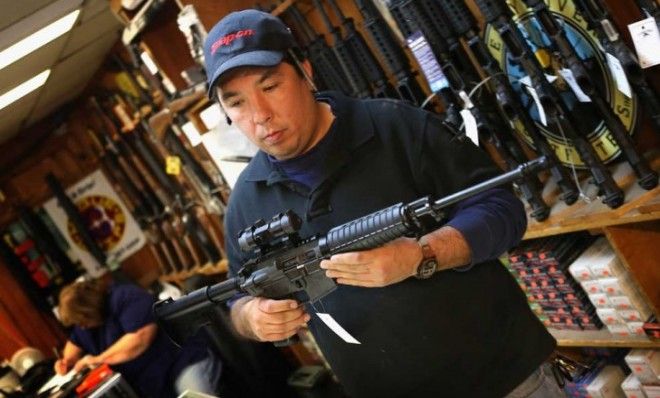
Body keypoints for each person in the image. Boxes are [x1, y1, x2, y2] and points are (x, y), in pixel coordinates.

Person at [203, 9, 562, 398]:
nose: (259, 116)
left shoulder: (396, 127)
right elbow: (238, 299)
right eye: (236, 103)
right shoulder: (245, 201)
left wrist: (421, 255)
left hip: (507, 379)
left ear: (305, 72)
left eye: (270, 87)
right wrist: (253, 320)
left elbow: (503, 210)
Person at [54, 278, 221, 397]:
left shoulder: (125, 296)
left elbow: (140, 338)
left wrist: (98, 359)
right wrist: (66, 361)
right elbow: (73, 344)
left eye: (81, 321)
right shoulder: (86, 325)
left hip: (182, 363)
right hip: (153, 386)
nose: (81, 327)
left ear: (88, 309)